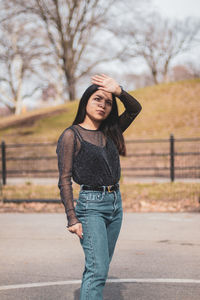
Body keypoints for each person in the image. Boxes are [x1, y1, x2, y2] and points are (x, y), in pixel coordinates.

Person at [56, 74, 142, 300]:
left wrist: (119, 91)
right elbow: (64, 179)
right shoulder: (70, 135)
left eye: (108, 102)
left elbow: (135, 109)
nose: (103, 105)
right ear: (85, 101)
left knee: (97, 267)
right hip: (91, 207)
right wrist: (72, 219)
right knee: (98, 270)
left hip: (116, 205)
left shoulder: (110, 132)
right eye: (97, 99)